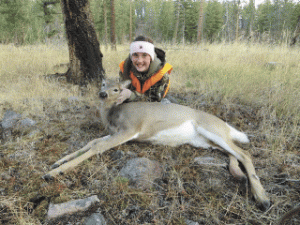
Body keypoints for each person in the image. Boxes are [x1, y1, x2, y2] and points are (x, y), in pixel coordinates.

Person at [117, 36, 173, 104]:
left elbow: (154, 101)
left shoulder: (162, 75)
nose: (139, 60)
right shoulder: (125, 69)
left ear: (151, 57)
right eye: (135, 55)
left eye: (144, 55)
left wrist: (130, 95)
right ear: (131, 57)